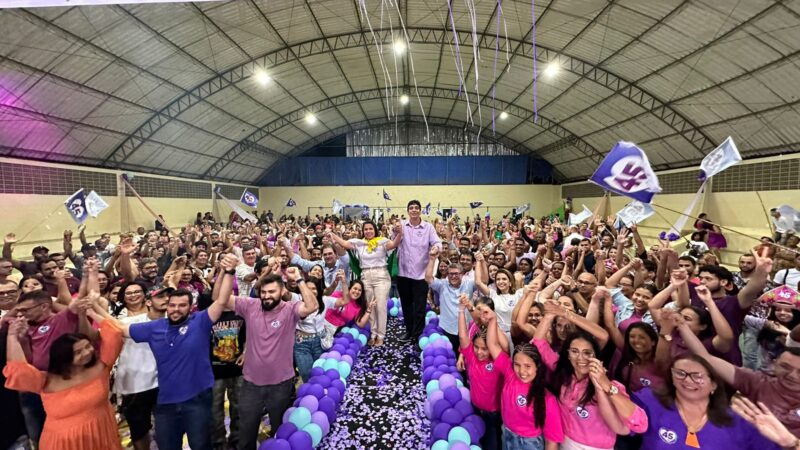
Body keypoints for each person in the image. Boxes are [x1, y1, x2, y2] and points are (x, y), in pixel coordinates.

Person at [214, 254, 320, 450]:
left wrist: (299, 279)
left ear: (282, 291)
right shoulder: (250, 305)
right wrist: (227, 272)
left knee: (280, 432)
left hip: (281, 384)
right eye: (263, 292)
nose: (266, 296)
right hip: (251, 384)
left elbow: (313, 306)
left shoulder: (290, 309)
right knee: (246, 433)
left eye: (272, 292)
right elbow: (219, 299)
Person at [4, 292, 124, 450]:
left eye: (87, 347)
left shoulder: (101, 366)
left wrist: (91, 313)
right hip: (63, 443)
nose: (87, 353)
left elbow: (114, 333)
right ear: (64, 358)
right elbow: (18, 371)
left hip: (102, 434)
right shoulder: (47, 381)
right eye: (78, 352)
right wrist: (12, 337)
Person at [126, 286, 230, 450]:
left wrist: (229, 272)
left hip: (198, 400)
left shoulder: (200, 321)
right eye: (172, 305)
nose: (176, 309)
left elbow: (222, 301)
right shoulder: (154, 327)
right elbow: (119, 329)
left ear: (190, 307)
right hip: (166, 403)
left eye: (182, 305)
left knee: (201, 445)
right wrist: (92, 309)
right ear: (167, 306)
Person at [677, 310, 800, 437]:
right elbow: (705, 357)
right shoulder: (757, 382)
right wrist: (681, 324)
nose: (793, 375)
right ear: (774, 364)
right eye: (786, 367)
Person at [533, 321, 646, 450]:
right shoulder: (564, 377)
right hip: (565, 442)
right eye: (575, 351)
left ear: (595, 356)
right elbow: (538, 342)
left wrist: (604, 385)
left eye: (587, 353)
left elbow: (640, 423)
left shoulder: (610, 386)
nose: (581, 358)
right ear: (568, 355)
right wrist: (550, 314)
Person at [633, 355, 781, 450]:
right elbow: (618, 421)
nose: (687, 380)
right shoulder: (649, 401)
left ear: (714, 385)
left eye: (697, 376)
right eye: (680, 373)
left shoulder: (740, 421)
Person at [485, 309, 563, 450]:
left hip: (530, 444)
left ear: (537, 367)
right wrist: (492, 320)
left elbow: (552, 441)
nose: (522, 371)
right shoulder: (510, 373)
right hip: (506, 432)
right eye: (517, 365)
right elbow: (492, 345)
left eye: (528, 366)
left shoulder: (548, 399)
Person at [327, 219, 403, 346]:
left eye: (370, 229)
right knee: (369, 306)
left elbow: (394, 244)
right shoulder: (359, 243)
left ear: (375, 230)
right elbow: (345, 244)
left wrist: (400, 233)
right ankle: (373, 334)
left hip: (381, 276)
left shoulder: (382, 241)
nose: (368, 231)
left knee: (380, 306)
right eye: (366, 229)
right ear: (363, 231)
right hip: (366, 276)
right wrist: (332, 235)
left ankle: (381, 335)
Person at [115, 285, 169, 450]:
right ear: (149, 301)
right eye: (160, 297)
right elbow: (106, 323)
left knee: (167, 426)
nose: (165, 300)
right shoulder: (125, 322)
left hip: (163, 382)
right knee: (139, 430)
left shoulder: (172, 320)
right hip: (135, 385)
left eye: (167, 297)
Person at [457, 295, 503, 450]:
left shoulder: (498, 362)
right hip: (475, 407)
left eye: (484, 348)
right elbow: (463, 337)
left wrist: (492, 320)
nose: (479, 352)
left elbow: (498, 344)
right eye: (476, 347)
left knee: (492, 443)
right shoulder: (472, 356)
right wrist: (461, 311)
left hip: (494, 413)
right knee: (478, 440)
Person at [396, 199, 441, 343]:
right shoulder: (401, 225)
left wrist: (436, 248)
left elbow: (437, 242)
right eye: (411, 208)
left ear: (420, 210)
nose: (414, 210)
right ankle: (409, 331)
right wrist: (395, 231)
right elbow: (393, 242)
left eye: (416, 208)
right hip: (403, 273)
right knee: (406, 305)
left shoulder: (428, 227)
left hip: (421, 274)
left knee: (420, 307)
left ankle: (417, 334)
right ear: (408, 211)